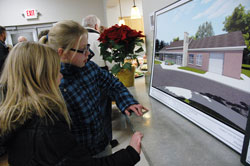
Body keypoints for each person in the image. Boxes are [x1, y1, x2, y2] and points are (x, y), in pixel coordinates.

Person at [0, 42, 143, 165]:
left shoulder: (15, 114)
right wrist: (130, 153)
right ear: (41, 77)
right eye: (56, 71)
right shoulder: (47, 125)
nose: (61, 76)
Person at [46, 20, 148, 157]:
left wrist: (127, 102)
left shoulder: (90, 68)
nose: (89, 53)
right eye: (83, 50)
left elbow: (112, 83)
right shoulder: (55, 86)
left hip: (102, 143)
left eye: (87, 47)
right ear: (62, 53)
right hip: (81, 157)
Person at [82, 15, 117, 148]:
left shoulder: (77, 38)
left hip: (81, 79)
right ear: (96, 26)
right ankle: (107, 141)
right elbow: (111, 62)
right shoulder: (99, 39)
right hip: (100, 77)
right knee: (104, 110)